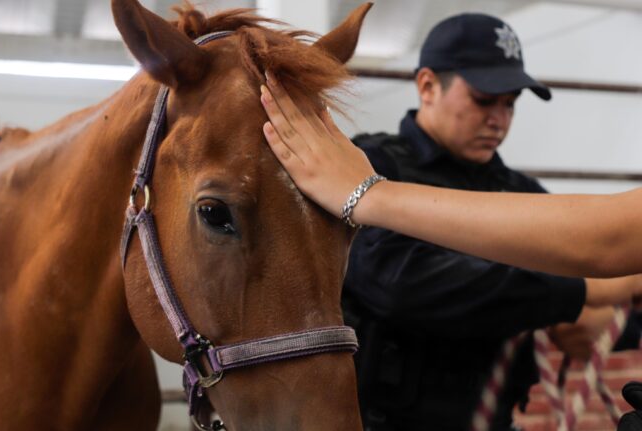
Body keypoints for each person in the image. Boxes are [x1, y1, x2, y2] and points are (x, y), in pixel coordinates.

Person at [260, 13, 642, 431]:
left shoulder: (520, 191)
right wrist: (575, 295)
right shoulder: (368, 167)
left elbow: (601, 310)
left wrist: (602, 321)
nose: (499, 119)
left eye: (510, 104)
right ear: (427, 85)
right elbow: (402, 284)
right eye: (483, 99)